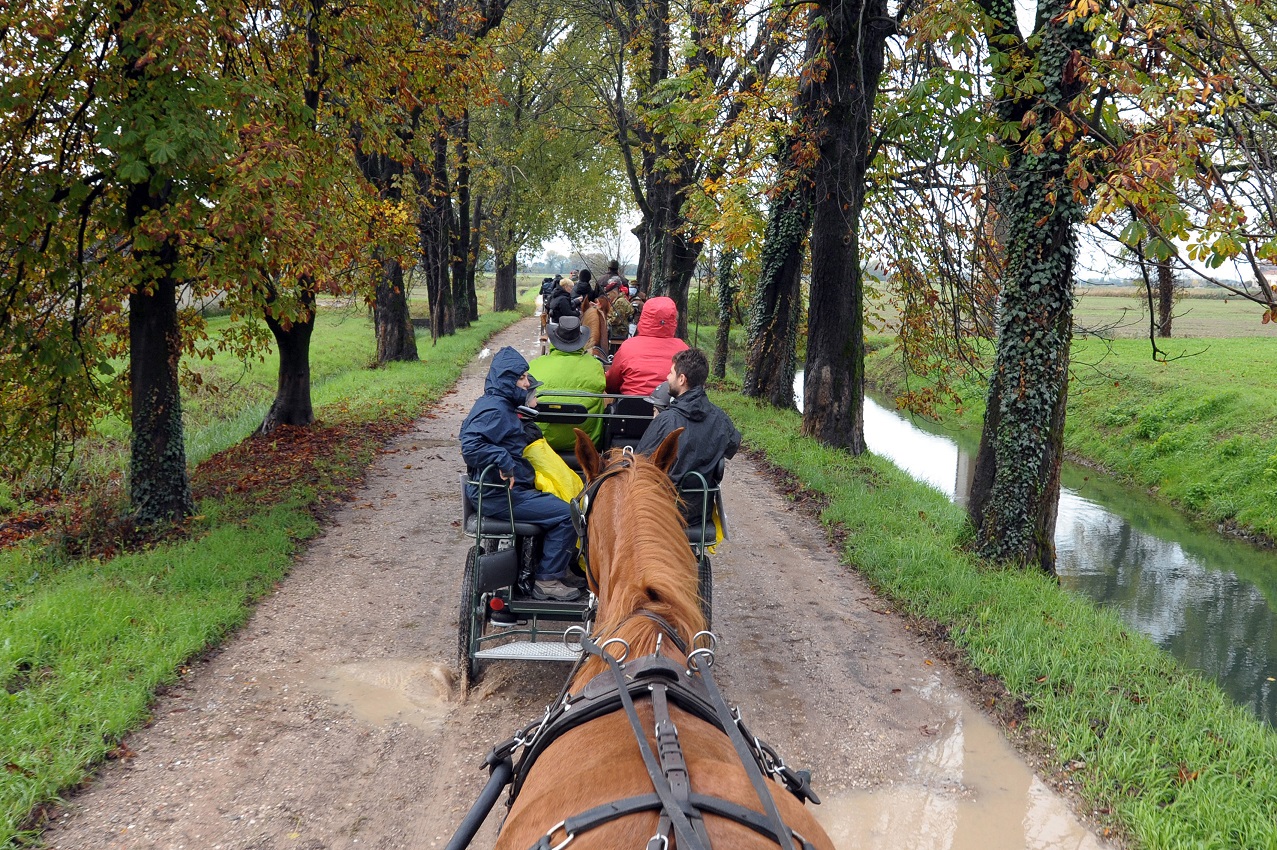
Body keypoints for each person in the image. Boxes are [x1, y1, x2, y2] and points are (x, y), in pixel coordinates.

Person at [459, 347, 582, 601]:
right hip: (498, 496)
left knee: (557, 498)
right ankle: (547, 579)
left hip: (504, 491)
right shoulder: (495, 410)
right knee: (568, 514)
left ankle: (548, 566)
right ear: (507, 380)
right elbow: (470, 444)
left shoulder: (499, 404)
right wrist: (503, 459)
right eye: (522, 377)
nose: (527, 383)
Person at [636, 348, 741, 522]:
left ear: (682, 379)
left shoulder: (665, 420)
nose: (668, 378)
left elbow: (639, 464)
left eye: (671, 373)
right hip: (700, 514)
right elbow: (732, 446)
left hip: (662, 514)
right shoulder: (721, 419)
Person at [529, 316, 607, 450]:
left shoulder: (535, 365)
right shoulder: (595, 366)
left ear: (554, 339)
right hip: (585, 445)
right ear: (581, 342)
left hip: (541, 443)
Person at [605, 295, 688, 396]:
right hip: (672, 408)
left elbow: (611, 384)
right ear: (674, 319)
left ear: (644, 317)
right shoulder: (684, 349)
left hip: (631, 408)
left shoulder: (628, 347)